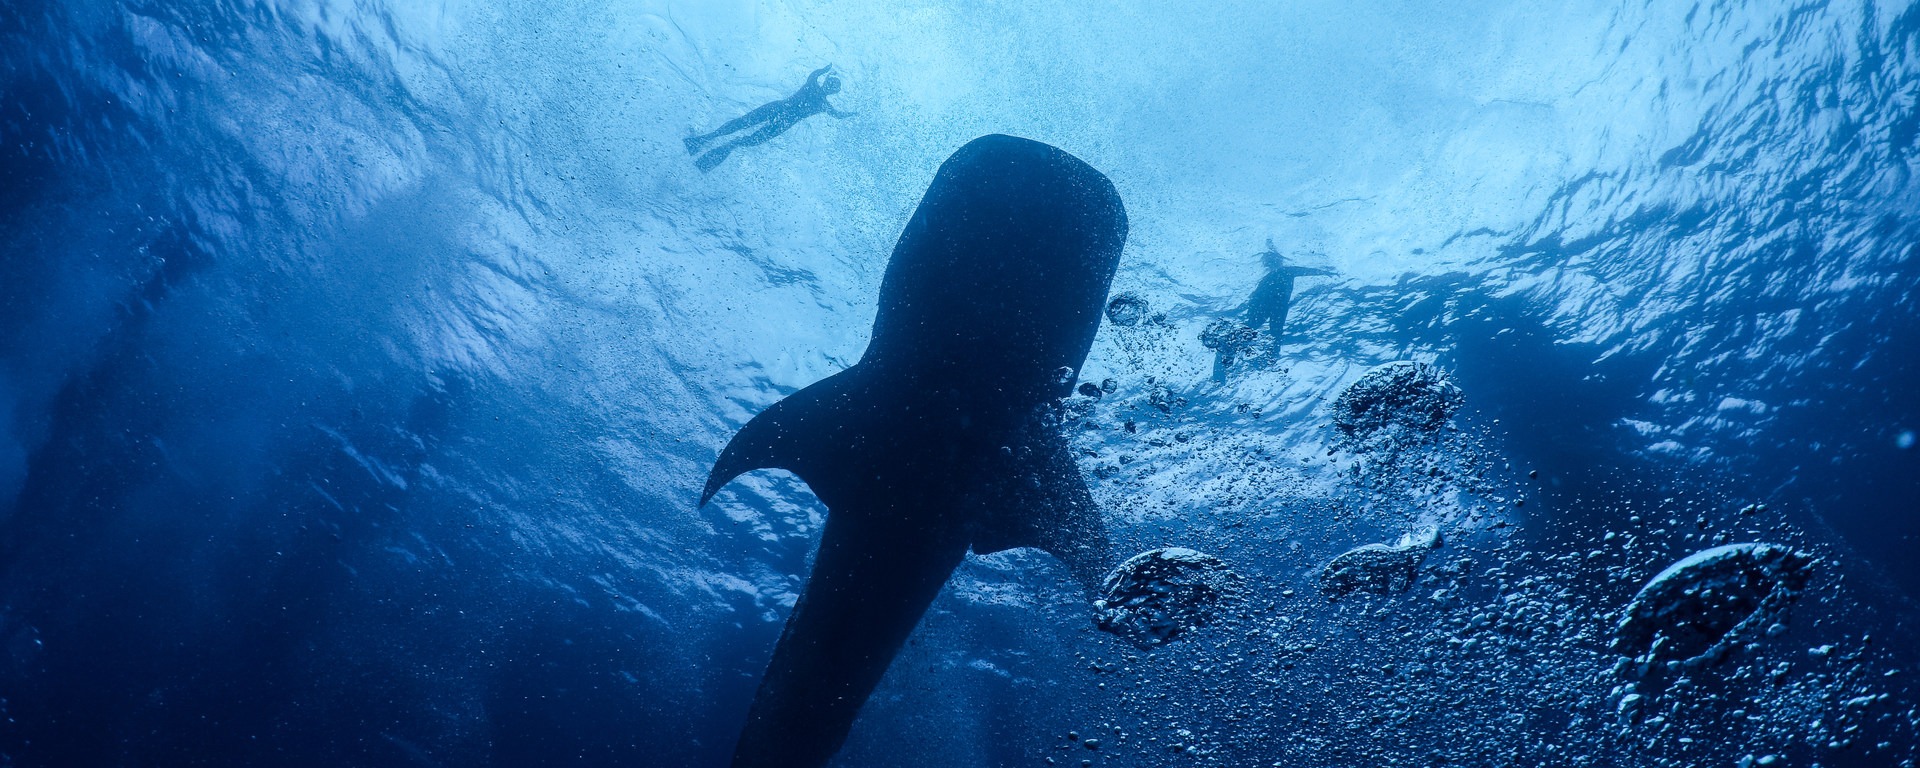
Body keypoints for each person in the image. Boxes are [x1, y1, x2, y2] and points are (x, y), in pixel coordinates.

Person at [685, 65, 854, 171]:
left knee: (743, 128)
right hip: (782, 117)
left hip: (779, 110)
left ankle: (703, 142)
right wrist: (854, 114)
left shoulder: (817, 92)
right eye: (831, 85)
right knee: (746, 134)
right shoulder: (822, 102)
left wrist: (824, 70)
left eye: (831, 86)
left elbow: (815, 75)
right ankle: (707, 144)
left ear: (830, 88)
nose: (829, 87)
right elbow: (839, 115)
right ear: (831, 89)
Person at [1245, 238, 1336, 338]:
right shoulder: (1286, 271)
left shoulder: (1269, 277)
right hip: (1278, 304)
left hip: (1268, 304)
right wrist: (1323, 272)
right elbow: (1303, 271)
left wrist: (1322, 272)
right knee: (1274, 334)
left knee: (1252, 327)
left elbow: (1254, 297)